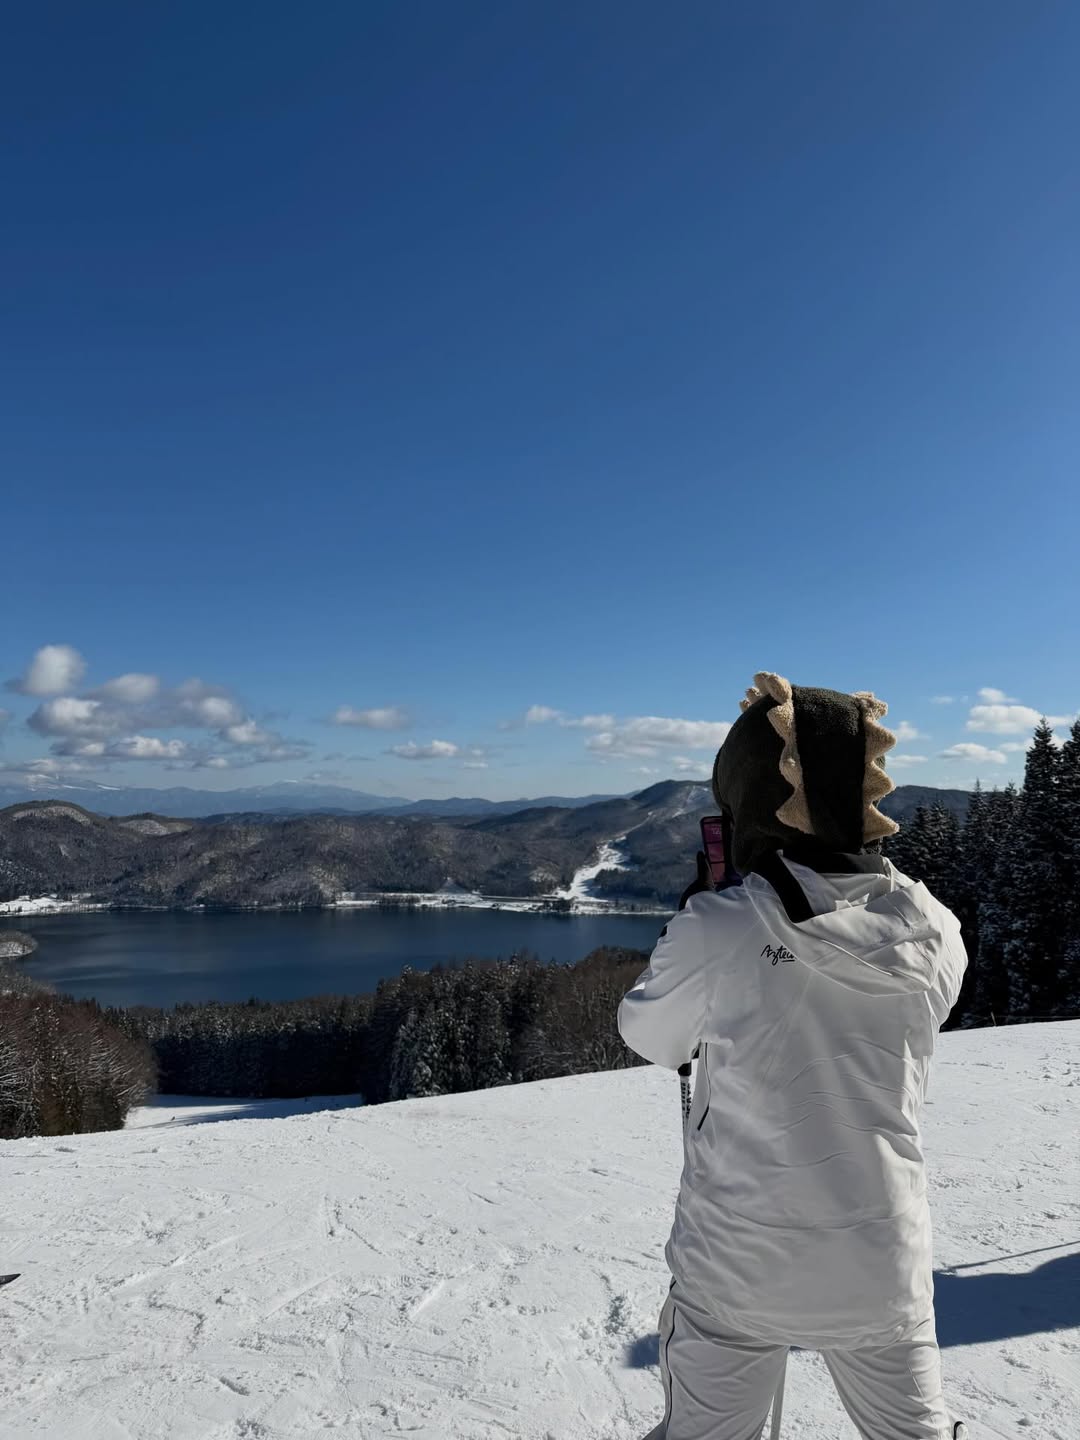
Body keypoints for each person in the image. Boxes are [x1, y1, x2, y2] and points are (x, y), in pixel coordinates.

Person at [619, 673, 969, 1440]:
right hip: (883, 1258)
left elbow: (650, 1035)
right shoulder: (935, 929)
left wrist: (700, 918)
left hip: (738, 1263)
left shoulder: (722, 925)